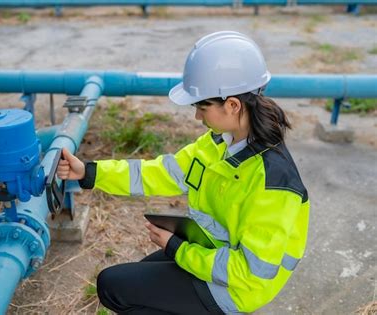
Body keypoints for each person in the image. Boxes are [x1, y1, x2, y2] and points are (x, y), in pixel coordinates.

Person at [57, 31, 309, 314]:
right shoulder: (219, 141)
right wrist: (89, 172)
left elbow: (248, 272)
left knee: (113, 287)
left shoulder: (274, 183)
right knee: (125, 285)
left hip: (237, 289)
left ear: (233, 105)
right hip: (210, 250)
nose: (197, 116)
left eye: (202, 107)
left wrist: (177, 249)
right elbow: (159, 172)